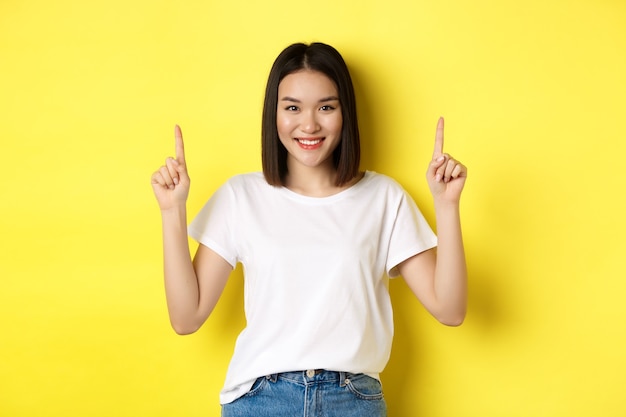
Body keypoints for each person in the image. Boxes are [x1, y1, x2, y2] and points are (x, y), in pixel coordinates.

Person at [150, 42, 467, 417]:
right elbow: (186, 318)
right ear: (275, 114)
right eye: (293, 108)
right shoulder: (241, 196)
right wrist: (172, 212)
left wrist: (446, 206)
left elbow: (450, 309)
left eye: (326, 107)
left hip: (352, 400)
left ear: (344, 113)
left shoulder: (383, 198)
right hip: (261, 400)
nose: (309, 124)